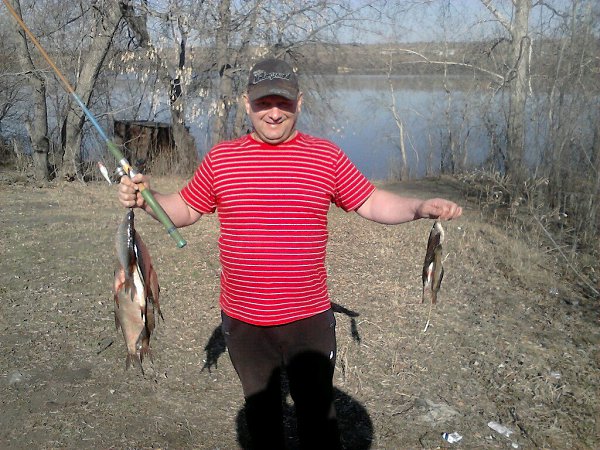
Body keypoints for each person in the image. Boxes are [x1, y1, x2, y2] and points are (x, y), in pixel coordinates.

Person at [118, 58, 462, 449]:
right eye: (263, 103)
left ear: (299, 102)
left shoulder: (326, 157)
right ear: (247, 104)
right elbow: (185, 209)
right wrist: (147, 199)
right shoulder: (222, 159)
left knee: (318, 419)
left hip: (308, 319)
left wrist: (419, 208)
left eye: (283, 102)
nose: (274, 112)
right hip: (244, 321)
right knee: (262, 420)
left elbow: (371, 201)